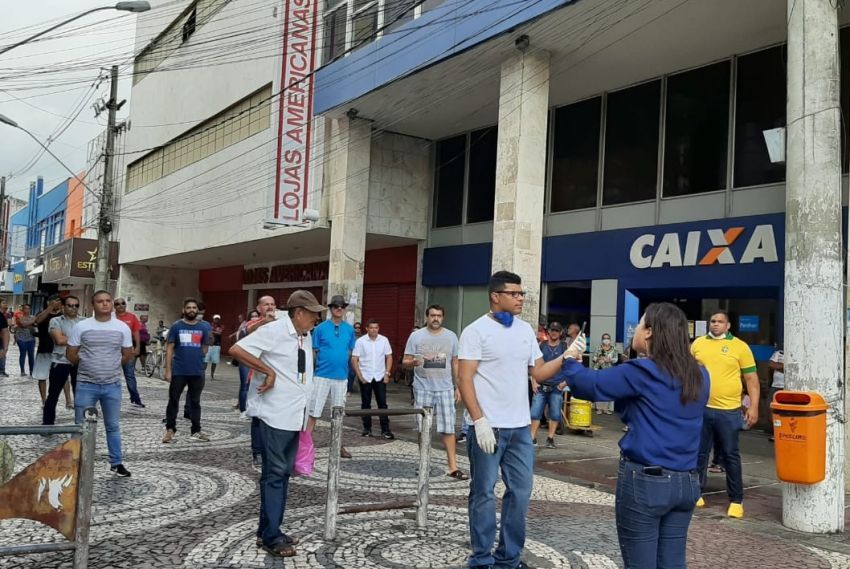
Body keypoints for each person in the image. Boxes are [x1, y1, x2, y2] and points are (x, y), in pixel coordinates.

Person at [555, 302, 709, 568]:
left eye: (639, 325)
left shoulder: (643, 371)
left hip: (647, 482)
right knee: (672, 562)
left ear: (649, 332)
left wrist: (570, 361)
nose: (635, 330)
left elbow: (589, 385)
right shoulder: (699, 374)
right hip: (687, 481)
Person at [457, 270, 573, 569]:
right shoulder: (475, 331)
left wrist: (567, 357)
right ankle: (481, 560)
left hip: (520, 428)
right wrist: (478, 420)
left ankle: (508, 559)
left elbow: (539, 372)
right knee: (483, 493)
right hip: (488, 426)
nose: (521, 298)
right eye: (515, 293)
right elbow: (464, 378)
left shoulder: (525, 331)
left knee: (520, 493)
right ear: (496, 296)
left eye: (522, 293)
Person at [229, 290, 326, 558]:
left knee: (280, 474)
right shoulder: (275, 330)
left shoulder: (303, 335)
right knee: (275, 475)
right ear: (298, 313)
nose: (316, 319)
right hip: (274, 414)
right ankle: (272, 536)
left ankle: (267, 530)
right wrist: (267, 371)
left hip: (294, 415)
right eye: (313, 314)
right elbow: (236, 349)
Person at [691, 310, 760, 519]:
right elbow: (686, 373)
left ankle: (736, 500)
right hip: (702, 408)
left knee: (730, 455)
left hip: (729, 411)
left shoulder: (740, 347)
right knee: (699, 453)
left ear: (728, 326)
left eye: (720, 322)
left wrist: (754, 407)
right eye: (713, 321)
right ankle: (696, 493)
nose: (716, 325)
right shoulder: (698, 345)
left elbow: (752, 380)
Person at [67, 290, 134, 477]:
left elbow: (127, 354)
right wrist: (88, 365)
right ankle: (76, 461)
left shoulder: (122, 328)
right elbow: (71, 353)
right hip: (86, 385)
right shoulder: (82, 326)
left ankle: (116, 462)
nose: (104, 304)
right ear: (92, 305)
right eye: (100, 301)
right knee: (80, 426)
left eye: (107, 301)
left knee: (112, 425)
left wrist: (111, 366)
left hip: (112, 386)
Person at [403, 304, 466, 479]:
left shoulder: (451, 336)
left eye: (438, 315)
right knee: (423, 428)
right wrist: (412, 363)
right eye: (432, 315)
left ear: (443, 317)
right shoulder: (416, 336)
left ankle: (453, 467)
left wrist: (458, 386)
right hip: (423, 388)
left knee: (448, 428)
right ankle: (424, 464)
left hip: (445, 388)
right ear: (427, 317)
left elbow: (455, 363)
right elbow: (405, 360)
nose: (435, 318)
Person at [307, 294, 356, 459]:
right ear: (331, 309)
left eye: (342, 306)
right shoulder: (320, 328)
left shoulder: (349, 329)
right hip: (321, 375)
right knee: (313, 411)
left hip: (341, 377)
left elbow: (350, 351)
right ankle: (305, 447)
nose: (339, 309)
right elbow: (314, 351)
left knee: (338, 413)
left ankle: (339, 445)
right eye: (336, 306)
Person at [163, 298, 211, 443]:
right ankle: (170, 430)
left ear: (198, 310)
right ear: (184, 310)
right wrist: (168, 370)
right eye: (188, 307)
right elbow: (170, 349)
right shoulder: (176, 326)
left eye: (194, 308)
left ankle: (196, 430)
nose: (191, 310)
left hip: (197, 372)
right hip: (179, 371)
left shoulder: (203, 327)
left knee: (195, 402)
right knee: (173, 400)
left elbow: (205, 348)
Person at [42, 296, 83, 425]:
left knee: (81, 395)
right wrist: (81, 340)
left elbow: (92, 340)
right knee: (53, 394)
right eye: (70, 305)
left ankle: (81, 424)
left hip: (79, 361)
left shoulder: (84, 321)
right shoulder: (56, 321)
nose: (73, 308)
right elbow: (59, 340)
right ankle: (47, 424)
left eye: (76, 305)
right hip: (60, 361)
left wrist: (68, 338)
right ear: (63, 307)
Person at [351, 319, 394, 439]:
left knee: (382, 403)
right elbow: (354, 359)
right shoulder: (361, 341)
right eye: (371, 328)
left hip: (380, 375)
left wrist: (387, 373)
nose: (374, 330)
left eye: (376, 328)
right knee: (365, 403)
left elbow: (389, 357)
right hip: (366, 375)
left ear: (378, 328)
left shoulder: (384, 340)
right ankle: (367, 428)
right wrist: (360, 376)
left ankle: (385, 429)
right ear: (366, 329)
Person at [531, 322, 568, 448]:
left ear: (560, 333)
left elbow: (571, 366)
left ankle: (550, 438)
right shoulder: (542, 345)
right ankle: (532, 438)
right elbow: (533, 364)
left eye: (557, 331)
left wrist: (563, 384)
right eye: (552, 330)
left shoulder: (564, 347)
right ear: (549, 331)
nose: (554, 333)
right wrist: (534, 381)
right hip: (541, 385)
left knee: (555, 414)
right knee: (535, 413)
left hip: (556, 386)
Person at [33, 296, 67, 407]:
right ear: (48, 302)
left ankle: (69, 401)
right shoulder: (42, 313)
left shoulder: (63, 315)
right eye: (55, 301)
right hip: (44, 350)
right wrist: (49, 308)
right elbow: (37, 320)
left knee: (63, 376)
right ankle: (44, 401)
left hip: (60, 350)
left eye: (59, 301)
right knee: (42, 377)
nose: (57, 303)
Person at [114, 297, 145, 408]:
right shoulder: (111, 317)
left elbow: (136, 332)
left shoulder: (132, 317)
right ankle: (108, 398)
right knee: (110, 374)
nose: (120, 305)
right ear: (114, 306)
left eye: (123, 303)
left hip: (128, 349)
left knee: (130, 375)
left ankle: (135, 399)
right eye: (117, 304)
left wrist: (137, 347)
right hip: (113, 350)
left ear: (125, 305)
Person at [235, 309, 259, 419]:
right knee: (245, 385)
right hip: (245, 360)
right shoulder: (245, 329)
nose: (254, 318)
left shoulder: (262, 329)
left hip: (257, 360)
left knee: (254, 386)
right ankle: (243, 410)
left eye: (256, 316)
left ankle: (252, 408)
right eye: (252, 316)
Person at [591, 332, 618, 415]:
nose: (606, 340)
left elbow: (616, 359)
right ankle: (598, 408)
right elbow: (593, 358)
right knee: (598, 389)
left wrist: (609, 360)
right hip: (598, 371)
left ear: (610, 340)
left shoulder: (614, 349)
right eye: (604, 338)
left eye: (607, 338)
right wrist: (599, 358)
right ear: (602, 340)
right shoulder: (598, 348)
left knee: (608, 389)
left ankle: (606, 409)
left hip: (609, 372)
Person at [767, 345, 784, 441]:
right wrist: (783, 366)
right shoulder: (779, 353)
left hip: (786, 387)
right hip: (775, 386)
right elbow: (770, 364)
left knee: (783, 411)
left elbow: (791, 367)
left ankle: (782, 433)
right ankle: (775, 432)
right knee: (770, 408)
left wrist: (778, 366)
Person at [14, 304, 36, 377]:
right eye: (25, 309)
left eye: (28, 308)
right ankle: (22, 371)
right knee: (22, 354)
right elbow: (23, 324)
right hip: (21, 338)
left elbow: (35, 324)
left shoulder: (33, 317)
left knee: (31, 355)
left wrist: (29, 323)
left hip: (31, 339)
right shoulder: (19, 317)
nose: (27, 310)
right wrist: (32, 323)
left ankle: (31, 371)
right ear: (22, 310)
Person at [205, 314, 224, 380]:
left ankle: (212, 375)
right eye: (215, 318)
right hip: (209, 344)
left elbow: (219, 333)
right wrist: (214, 331)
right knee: (205, 360)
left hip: (217, 345)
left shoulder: (221, 326)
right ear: (213, 319)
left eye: (218, 319)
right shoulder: (209, 325)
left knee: (214, 361)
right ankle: (202, 374)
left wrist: (211, 331)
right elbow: (207, 332)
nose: (216, 320)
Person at [0, 299, 8, 377]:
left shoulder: (3, 315)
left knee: (3, 356)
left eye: (5, 303)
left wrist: (5, 346)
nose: (5, 304)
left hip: (1, 340)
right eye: (3, 303)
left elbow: (5, 330)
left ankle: (2, 370)